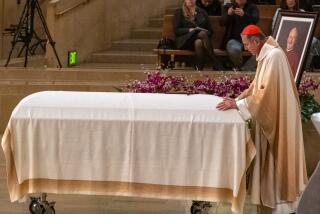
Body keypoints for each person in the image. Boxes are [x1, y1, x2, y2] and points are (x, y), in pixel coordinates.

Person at [217, 25, 307, 213]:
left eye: (247, 44)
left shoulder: (273, 57)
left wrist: (239, 105)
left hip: (278, 119)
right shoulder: (267, 55)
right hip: (274, 115)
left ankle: (281, 206)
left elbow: (265, 95)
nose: (245, 48)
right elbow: (256, 85)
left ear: (257, 41)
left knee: (276, 159)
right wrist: (238, 100)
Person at [174, 0, 223, 70]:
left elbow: (210, 31)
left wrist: (203, 32)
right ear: (184, 1)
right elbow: (177, 30)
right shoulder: (179, 12)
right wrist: (189, 30)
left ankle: (199, 68)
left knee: (198, 42)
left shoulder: (202, 12)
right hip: (184, 42)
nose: (191, 1)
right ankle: (215, 61)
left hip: (199, 41)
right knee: (201, 34)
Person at [272, 0, 320, 71]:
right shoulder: (279, 11)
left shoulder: (302, 11)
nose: (291, 1)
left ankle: (304, 68)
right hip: (284, 36)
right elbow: (274, 27)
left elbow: (306, 28)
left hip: (299, 37)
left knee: (314, 41)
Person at [221, 0, 259, 70]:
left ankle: (243, 68)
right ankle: (240, 66)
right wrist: (228, 14)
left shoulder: (252, 7)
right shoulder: (228, 7)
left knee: (261, 48)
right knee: (233, 49)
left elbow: (255, 20)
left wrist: (244, 15)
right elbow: (222, 23)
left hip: (250, 39)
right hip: (234, 39)